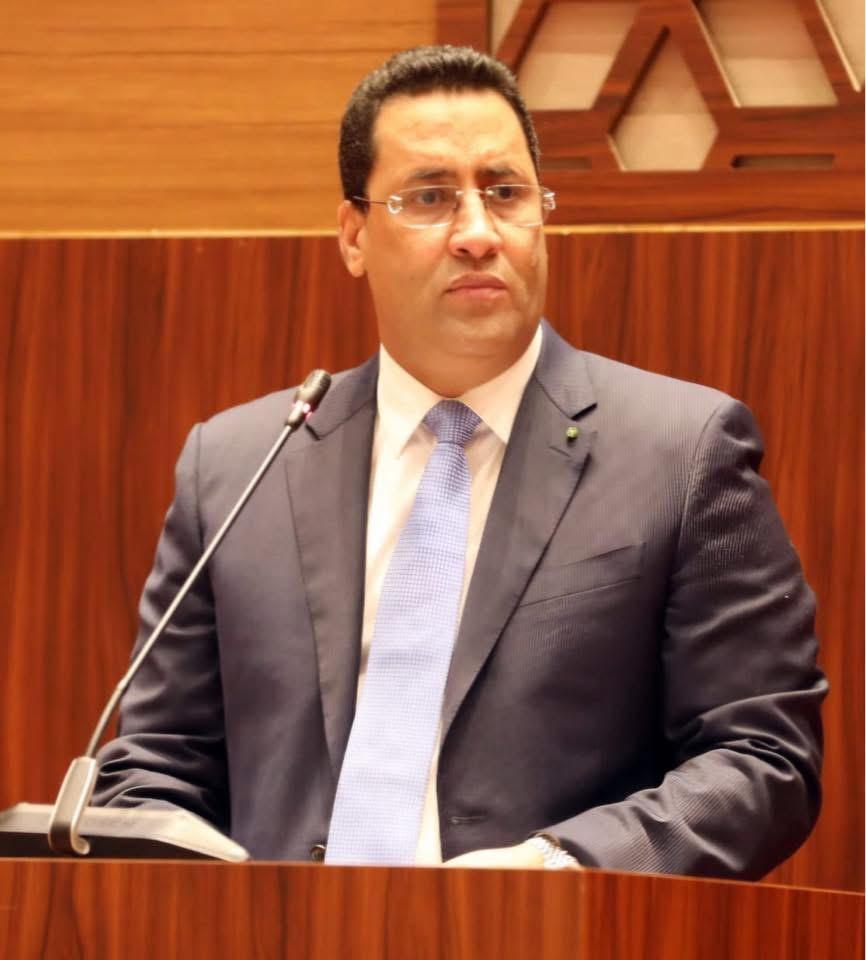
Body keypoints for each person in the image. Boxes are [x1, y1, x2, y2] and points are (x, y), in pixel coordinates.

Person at [95, 45, 826, 876]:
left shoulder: (682, 453)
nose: (478, 234)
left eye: (505, 193)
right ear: (354, 236)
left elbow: (762, 756)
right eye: (431, 197)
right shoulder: (239, 467)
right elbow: (154, 769)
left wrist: (556, 871)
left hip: (553, 929)